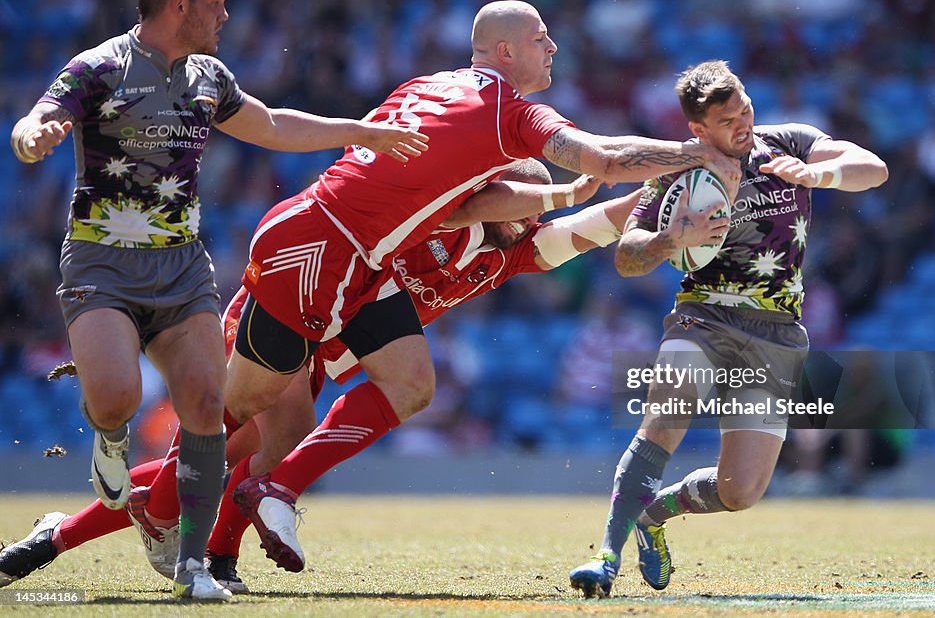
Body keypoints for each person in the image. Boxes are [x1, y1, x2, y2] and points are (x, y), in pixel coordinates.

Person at [116, 0, 737, 580]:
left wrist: (636, 197)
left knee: (397, 391)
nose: (553, 47)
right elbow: (594, 161)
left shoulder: (428, 87)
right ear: (503, 50)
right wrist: (689, 154)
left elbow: (549, 218)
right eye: (540, 38)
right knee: (244, 417)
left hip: (348, 261)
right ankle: (150, 506)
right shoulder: (505, 113)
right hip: (324, 251)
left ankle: (204, 516)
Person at [0, 162, 641, 594]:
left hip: (320, 352)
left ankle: (80, 534)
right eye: (518, 199)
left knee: (236, 464)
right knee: (228, 465)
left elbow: (589, 229)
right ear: (485, 191)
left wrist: (656, 190)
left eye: (535, 208)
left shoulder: (507, 256)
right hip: (281, 315)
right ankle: (100, 534)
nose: (528, 218)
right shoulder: (429, 219)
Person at [7, 0, 427, 601]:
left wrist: (357, 131)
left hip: (182, 267)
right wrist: (33, 134)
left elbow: (272, 124)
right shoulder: (98, 68)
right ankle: (110, 439)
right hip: (102, 261)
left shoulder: (208, 76)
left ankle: (193, 565)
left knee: (207, 411)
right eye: (216, 2)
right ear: (180, 6)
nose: (227, 13)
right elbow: (38, 116)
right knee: (116, 397)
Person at [568, 60, 888, 598]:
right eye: (729, 119)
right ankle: (605, 556)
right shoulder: (677, 171)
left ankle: (654, 514)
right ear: (699, 130)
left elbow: (872, 167)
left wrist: (816, 174)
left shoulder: (789, 142)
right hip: (704, 314)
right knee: (664, 421)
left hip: (776, 331)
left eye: (745, 109)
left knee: (742, 491)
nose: (744, 123)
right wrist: (674, 239)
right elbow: (626, 258)